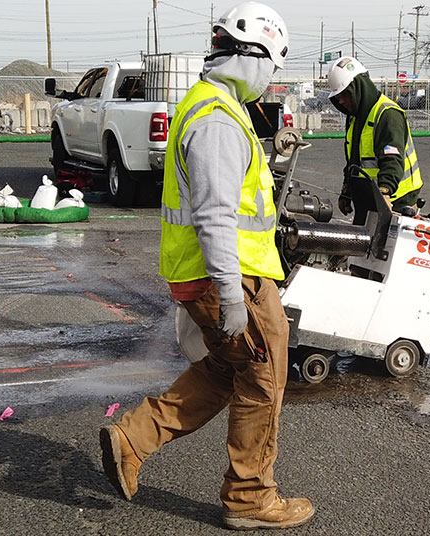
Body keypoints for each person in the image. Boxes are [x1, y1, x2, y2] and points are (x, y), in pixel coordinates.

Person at [99, 2, 315, 531]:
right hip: (231, 278)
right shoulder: (218, 119)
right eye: (272, 68)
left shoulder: (206, 104)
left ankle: (133, 437)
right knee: (263, 380)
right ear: (254, 56)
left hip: (204, 276)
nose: (270, 82)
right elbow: (217, 216)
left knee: (223, 370)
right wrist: (236, 296)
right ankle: (250, 499)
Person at [328, 56, 424, 225]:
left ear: (358, 88)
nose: (341, 101)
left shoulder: (387, 114)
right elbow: (354, 161)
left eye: (344, 95)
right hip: (368, 199)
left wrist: (385, 192)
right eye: (337, 97)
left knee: (385, 249)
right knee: (362, 246)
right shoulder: (355, 118)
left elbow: (392, 160)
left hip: (396, 201)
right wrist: (347, 190)